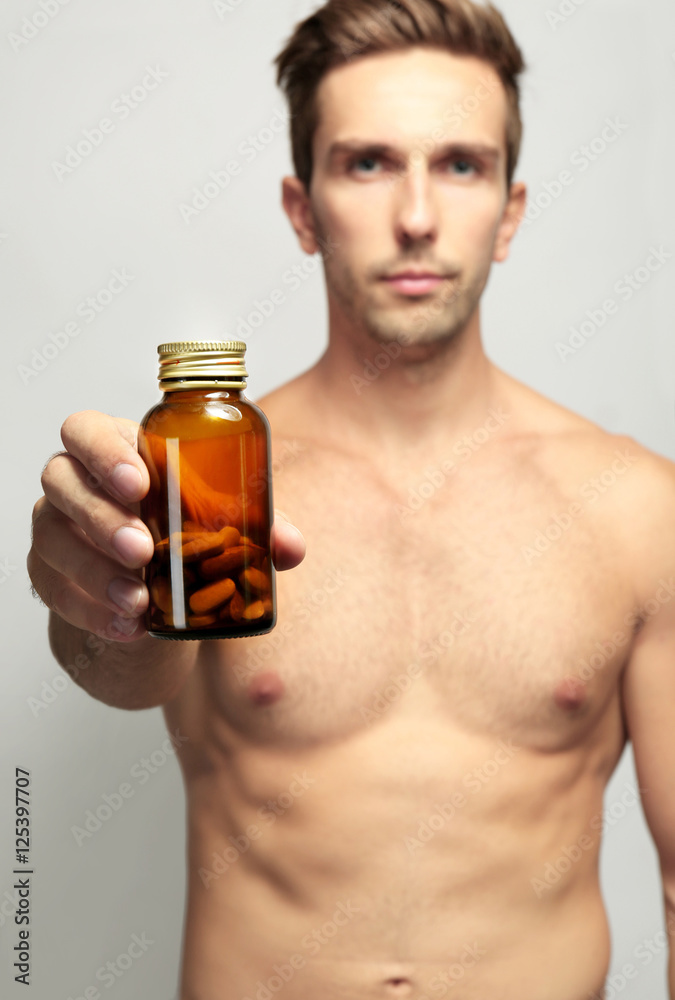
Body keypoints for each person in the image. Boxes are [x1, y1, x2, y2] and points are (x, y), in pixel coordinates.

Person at [27, 1, 675, 997]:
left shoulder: (640, 508)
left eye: (460, 164)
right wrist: (97, 595)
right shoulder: (209, 483)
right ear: (302, 208)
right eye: (367, 162)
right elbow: (125, 670)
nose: (416, 215)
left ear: (509, 211)